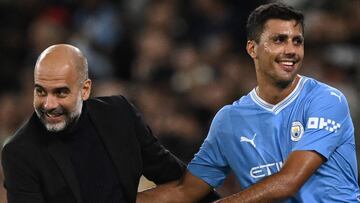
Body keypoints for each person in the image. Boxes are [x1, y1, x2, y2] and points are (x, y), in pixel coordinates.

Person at [137, 2, 360, 202]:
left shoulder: (326, 100)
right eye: (279, 40)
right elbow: (184, 190)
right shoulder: (229, 120)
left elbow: (289, 182)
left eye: (297, 41)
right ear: (252, 48)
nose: (291, 50)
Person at [1, 44, 188, 203]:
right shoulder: (19, 152)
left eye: (60, 93)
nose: (48, 105)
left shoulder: (118, 114)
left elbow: (173, 174)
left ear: (85, 89)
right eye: (40, 92)